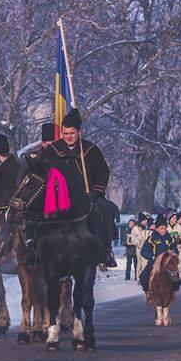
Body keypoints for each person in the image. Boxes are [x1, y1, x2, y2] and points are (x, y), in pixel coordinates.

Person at [41, 108, 118, 267]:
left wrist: (96, 192)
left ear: (79, 132)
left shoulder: (91, 150)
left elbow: (103, 171)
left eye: (72, 133)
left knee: (106, 209)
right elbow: (40, 170)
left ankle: (105, 249)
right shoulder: (52, 150)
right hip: (58, 197)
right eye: (66, 133)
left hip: (87, 195)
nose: (69, 137)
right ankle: (33, 247)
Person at [140, 215, 179, 297]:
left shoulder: (170, 239)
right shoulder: (151, 238)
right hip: (154, 262)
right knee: (143, 276)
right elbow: (143, 251)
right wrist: (152, 256)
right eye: (161, 228)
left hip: (167, 263)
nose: (163, 230)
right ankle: (148, 292)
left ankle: (173, 292)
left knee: (177, 276)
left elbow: (175, 250)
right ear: (157, 228)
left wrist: (173, 256)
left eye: (165, 228)